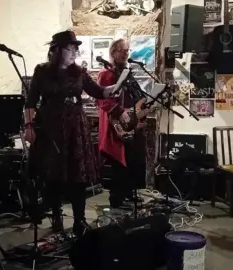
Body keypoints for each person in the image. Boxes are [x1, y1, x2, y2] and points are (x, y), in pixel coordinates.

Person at [24, 30, 117, 237]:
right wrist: (29, 126)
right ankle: (56, 216)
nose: (75, 51)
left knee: (78, 176)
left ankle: (79, 220)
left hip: (75, 126)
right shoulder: (42, 71)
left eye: (76, 48)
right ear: (56, 50)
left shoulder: (79, 72)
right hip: (50, 127)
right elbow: (30, 102)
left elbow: (98, 91)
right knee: (52, 175)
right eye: (70, 47)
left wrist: (113, 88)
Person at [96, 39, 147, 209]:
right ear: (113, 52)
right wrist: (120, 111)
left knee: (133, 159)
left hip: (130, 122)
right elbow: (101, 100)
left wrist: (144, 103)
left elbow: (138, 95)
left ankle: (128, 193)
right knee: (119, 163)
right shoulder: (106, 73)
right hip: (114, 125)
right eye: (122, 50)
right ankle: (116, 199)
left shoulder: (126, 73)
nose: (126, 53)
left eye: (127, 50)